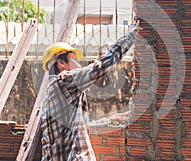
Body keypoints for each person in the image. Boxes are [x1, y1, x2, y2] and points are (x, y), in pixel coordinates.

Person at [40, 21, 141, 161]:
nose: (78, 64)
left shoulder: (51, 92)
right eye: (74, 59)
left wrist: (111, 119)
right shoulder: (63, 82)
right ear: (61, 63)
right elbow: (101, 66)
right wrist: (131, 36)